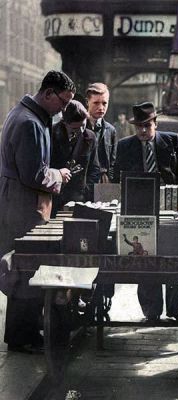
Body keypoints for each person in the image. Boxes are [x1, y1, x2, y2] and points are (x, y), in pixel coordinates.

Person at [0, 70, 75, 353]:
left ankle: (24, 333)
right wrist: (58, 174)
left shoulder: (23, 114)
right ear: (47, 93)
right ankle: (23, 338)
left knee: (24, 266)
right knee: (26, 266)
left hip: (19, 200)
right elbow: (33, 174)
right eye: (63, 102)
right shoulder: (30, 123)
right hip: (24, 203)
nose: (64, 109)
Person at [113, 101, 178, 322]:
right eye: (138, 126)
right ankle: (151, 311)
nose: (142, 131)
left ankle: (174, 309)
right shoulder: (124, 146)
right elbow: (117, 180)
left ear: (155, 124)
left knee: (171, 258)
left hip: (170, 209)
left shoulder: (171, 141)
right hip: (139, 211)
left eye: (147, 126)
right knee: (145, 260)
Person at [50, 100, 100, 216]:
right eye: (75, 129)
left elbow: (95, 169)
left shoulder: (90, 137)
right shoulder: (51, 134)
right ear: (64, 123)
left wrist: (86, 193)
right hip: (54, 199)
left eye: (83, 126)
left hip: (80, 199)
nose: (81, 132)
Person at [86, 83, 117, 183]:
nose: (101, 107)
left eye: (104, 103)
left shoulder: (111, 130)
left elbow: (113, 161)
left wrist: (109, 179)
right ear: (87, 102)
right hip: (83, 183)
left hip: (103, 183)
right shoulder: (79, 127)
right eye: (96, 103)